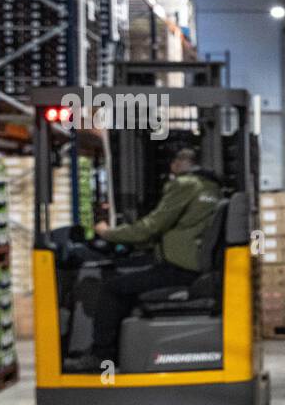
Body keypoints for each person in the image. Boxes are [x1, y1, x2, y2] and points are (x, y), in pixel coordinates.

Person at [70, 147, 221, 369]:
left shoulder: (185, 185)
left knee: (112, 288)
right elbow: (176, 229)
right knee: (131, 282)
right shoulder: (212, 187)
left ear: (177, 164)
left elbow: (151, 226)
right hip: (192, 263)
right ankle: (121, 349)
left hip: (179, 267)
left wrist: (107, 233)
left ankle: (102, 356)